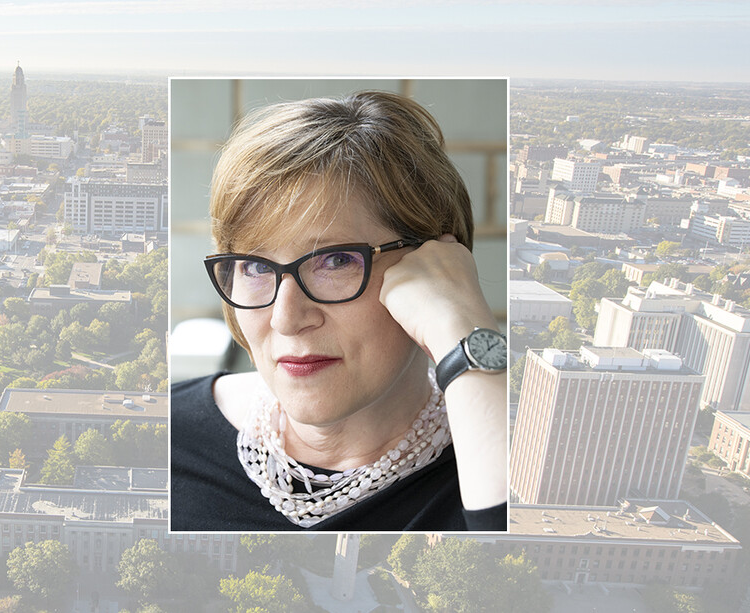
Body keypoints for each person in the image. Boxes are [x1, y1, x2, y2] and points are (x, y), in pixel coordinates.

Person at [171, 90, 507, 531]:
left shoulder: (499, 470)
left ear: (436, 267)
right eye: (255, 265)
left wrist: (464, 331)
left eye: (336, 260)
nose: (285, 318)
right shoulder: (166, 437)